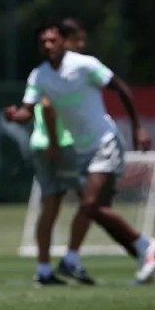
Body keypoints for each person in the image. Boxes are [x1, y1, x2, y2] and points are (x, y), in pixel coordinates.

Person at [4, 19, 155, 285]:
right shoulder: (39, 75)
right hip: (82, 150)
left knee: (90, 205)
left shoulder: (84, 65)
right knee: (97, 210)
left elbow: (121, 87)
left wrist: (138, 128)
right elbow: (26, 111)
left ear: (64, 42)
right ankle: (144, 258)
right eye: (43, 41)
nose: (48, 45)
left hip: (105, 142)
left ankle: (145, 245)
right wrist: (13, 116)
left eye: (53, 40)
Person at [24, 18, 95, 286]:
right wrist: (55, 142)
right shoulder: (59, 72)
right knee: (91, 201)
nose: (81, 45)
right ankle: (71, 259)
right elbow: (48, 106)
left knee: (51, 205)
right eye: (78, 39)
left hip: (43, 142)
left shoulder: (51, 72)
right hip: (60, 143)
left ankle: (44, 269)